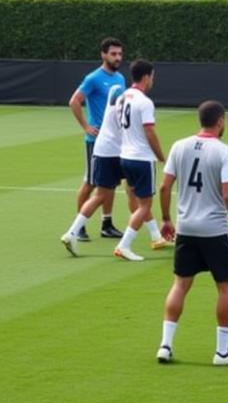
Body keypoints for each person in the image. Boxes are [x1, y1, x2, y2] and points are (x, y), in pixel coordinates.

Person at [156, 100, 228, 366]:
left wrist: (166, 219)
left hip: (186, 227)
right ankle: (222, 352)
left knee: (180, 284)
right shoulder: (225, 152)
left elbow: (164, 188)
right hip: (214, 229)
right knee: (225, 287)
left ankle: (165, 345)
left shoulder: (179, 146)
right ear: (220, 121)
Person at [58, 81, 142, 255]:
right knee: (131, 190)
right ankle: (146, 234)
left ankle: (74, 231)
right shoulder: (121, 105)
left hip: (105, 150)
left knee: (102, 194)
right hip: (112, 151)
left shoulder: (112, 105)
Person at [68, 37, 128, 240]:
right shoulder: (93, 78)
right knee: (91, 182)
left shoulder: (120, 78)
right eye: (113, 54)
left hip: (114, 140)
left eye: (120, 54)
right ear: (103, 54)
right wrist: (86, 126)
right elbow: (74, 101)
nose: (117, 57)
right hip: (96, 141)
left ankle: (107, 224)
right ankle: (79, 225)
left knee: (109, 183)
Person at [112, 59, 168, 261]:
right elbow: (149, 131)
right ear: (146, 77)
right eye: (152, 76)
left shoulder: (122, 97)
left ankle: (156, 237)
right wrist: (161, 157)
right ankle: (124, 245)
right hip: (142, 158)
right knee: (144, 204)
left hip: (125, 156)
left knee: (135, 199)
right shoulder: (145, 102)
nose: (153, 80)